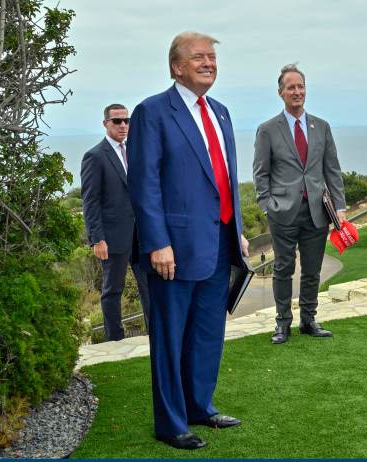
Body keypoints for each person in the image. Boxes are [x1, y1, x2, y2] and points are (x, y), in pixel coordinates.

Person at [127, 31, 249, 450]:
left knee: (207, 332)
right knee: (170, 336)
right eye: (198, 57)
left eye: (212, 57)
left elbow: (226, 181)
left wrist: (240, 232)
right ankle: (171, 423)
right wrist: (157, 243)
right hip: (172, 250)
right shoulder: (152, 112)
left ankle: (200, 405)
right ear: (177, 66)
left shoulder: (221, 112)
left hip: (218, 244)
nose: (208, 63)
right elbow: (144, 184)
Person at [253, 64, 346, 345]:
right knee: (283, 268)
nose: (297, 92)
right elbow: (261, 173)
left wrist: (339, 207)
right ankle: (283, 323)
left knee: (313, 269)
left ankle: (309, 320)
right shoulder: (268, 130)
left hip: (317, 212)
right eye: (291, 87)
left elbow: (332, 170)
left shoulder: (322, 127)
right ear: (281, 92)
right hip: (282, 212)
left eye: (301, 86)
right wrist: (268, 206)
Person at [80, 104, 150, 341]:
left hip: (142, 235)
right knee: (112, 291)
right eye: (117, 121)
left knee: (149, 286)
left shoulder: (135, 151)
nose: (123, 126)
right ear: (105, 124)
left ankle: (156, 332)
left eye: (126, 121)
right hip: (112, 236)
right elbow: (90, 202)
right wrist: (97, 239)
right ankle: (115, 340)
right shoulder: (95, 156)